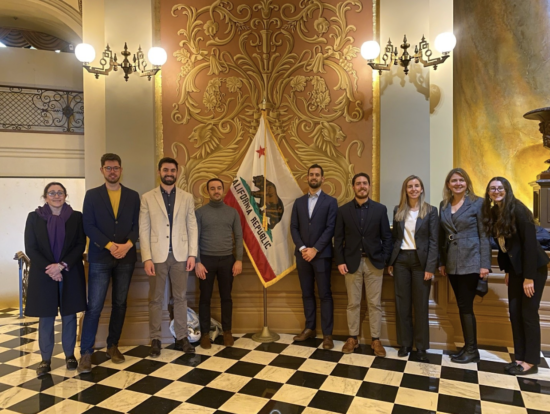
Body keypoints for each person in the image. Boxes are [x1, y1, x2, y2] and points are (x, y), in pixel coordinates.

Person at [77, 153, 140, 373]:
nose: (112, 171)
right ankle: (86, 352)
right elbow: (88, 225)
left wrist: (127, 245)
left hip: (126, 258)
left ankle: (113, 346)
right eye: (108, 168)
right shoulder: (92, 195)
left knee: (120, 303)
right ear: (102, 170)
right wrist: (109, 245)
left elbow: (137, 225)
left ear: (121, 170)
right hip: (100, 257)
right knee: (93, 306)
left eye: (116, 168)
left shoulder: (133, 196)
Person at [482, 177, 549, 375]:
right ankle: (519, 358)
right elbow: (505, 246)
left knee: (528, 314)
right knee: (515, 313)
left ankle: (531, 362)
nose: (496, 191)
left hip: (532, 270)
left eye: (500, 188)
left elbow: (528, 245)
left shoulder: (519, 210)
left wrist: (528, 277)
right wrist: (509, 271)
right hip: (516, 271)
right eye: (492, 189)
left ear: (507, 189)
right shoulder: (495, 212)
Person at [24, 182, 86, 377]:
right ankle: (45, 359)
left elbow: (79, 245)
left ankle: (69, 355)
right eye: (52, 193)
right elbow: (31, 247)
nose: (56, 196)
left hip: (69, 272)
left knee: (69, 316)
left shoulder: (76, 217)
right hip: (44, 274)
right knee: (46, 317)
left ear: (65, 195)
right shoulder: (34, 217)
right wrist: (50, 268)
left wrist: (61, 265)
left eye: (60, 192)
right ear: (45, 196)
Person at [139, 157, 198, 357]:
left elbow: (192, 227)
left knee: (180, 298)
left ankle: (181, 338)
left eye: (173, 170)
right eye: (166, 170)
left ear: (177, 172)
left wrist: (192, 254)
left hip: (181, 256)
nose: (169, 173)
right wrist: (146, 258)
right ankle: (155, 339)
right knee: (155, 299)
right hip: (156, 256)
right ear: (159, 172)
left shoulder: (187, 197)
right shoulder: (147, 197)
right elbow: (144, 228)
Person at [334, 172, 392, 356]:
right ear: (353, 187)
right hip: (351, 263)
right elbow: (338, 239)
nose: (361, 186)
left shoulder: (380, 209)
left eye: (364, 183)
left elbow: (387, 237)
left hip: (374, 263)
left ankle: (376, 340)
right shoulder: (343, 211)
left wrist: (384, 259)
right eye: (358, 183)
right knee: (353, 303)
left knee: (375, 304)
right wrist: (340, 261)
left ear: (369, 186)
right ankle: (352, 338)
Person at [438, 168, 491, 363]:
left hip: (472, 260)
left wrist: (484, 265)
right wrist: (442, 262)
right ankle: (467, 347)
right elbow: (442, 237)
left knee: (466, 306)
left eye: (461, 180)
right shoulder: (444, 205)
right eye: (454, 181)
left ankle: (472, 350)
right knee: (462, 305)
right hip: (452, 262)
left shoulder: (478, 203)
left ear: (467, 183)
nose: (458, 183)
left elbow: (485, 235)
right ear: (448, 184)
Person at [388, 175, 438, 361]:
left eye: (417, 186)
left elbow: (434, 240)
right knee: (402, 304)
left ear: (422, 189)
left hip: (420, 262)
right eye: (410, 186)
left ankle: (422, 346)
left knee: (420, 305)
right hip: (401, 260)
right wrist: (391, 262)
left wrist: (430, 267)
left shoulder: (431, 211)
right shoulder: (398, 210)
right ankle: (405, 344)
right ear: (405, 190)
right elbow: (395, 239)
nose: (414, 189)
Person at [290, 164, 338, 349]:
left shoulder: (331, 202)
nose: (314, 177)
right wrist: (303, 248)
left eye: (317, 175)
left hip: (322, 255)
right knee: (307, 293)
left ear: (323, 178)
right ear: (307, 177)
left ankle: (327, 335)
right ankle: (309, 328)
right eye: (311, 174)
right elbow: (293, 227)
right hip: (302, 256)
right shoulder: (299, 202)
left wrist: (315, 249)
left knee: (325, 295)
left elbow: (330, 228)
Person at [195, 178, 243, 349]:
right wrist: (198, 262)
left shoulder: (232, 212)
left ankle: (227, 332)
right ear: (207, 191)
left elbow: (238, 237)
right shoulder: (200, 213)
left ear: (223, 190)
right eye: (212, 188)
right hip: (205, 261)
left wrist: (238, 259)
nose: (216, 191)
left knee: (226, 298)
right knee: (205, 299)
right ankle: (205, 334)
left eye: (219, 188)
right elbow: (195, 239)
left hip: (227, 261)